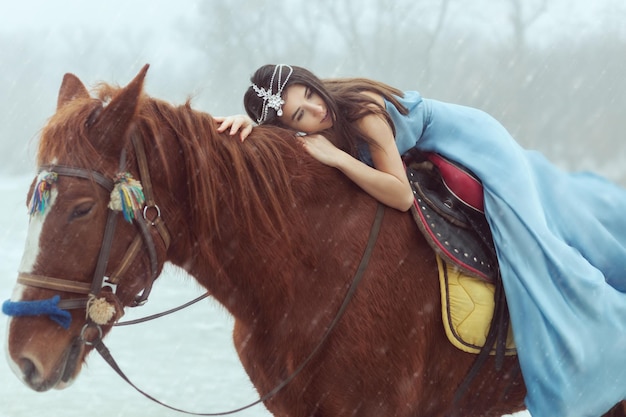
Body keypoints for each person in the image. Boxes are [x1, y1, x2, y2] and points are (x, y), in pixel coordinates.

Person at [216, 64, 626, 417]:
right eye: (299, 114)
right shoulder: (311, 127)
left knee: (527, 242)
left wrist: (338, 158)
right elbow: (286, 144)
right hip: (419, 152)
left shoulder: (362, 112)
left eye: (308, 93)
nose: (316, 109)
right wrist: (250, 127)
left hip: (471, 143)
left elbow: (400, 195)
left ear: (310, 81)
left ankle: (600, 326)